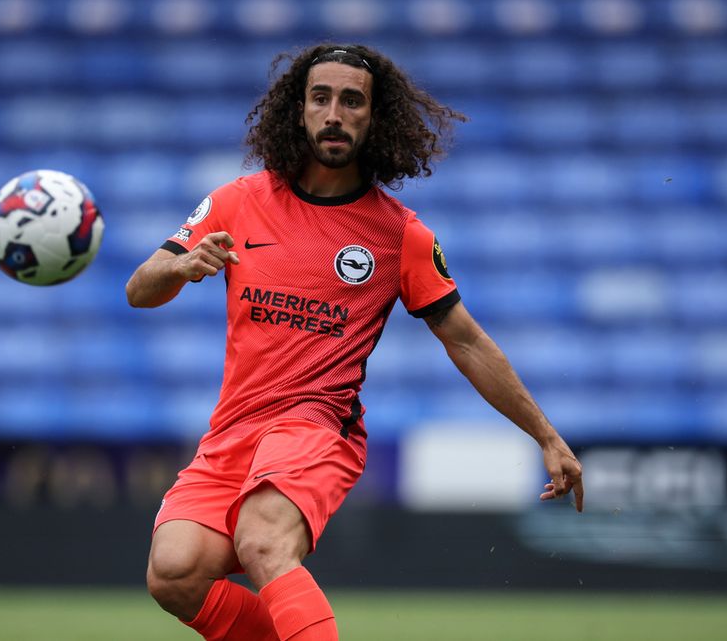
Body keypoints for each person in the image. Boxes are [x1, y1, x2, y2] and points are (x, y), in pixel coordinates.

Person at [125, 43, 583, 641]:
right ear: (299, 112)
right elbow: (139, 289)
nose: (334, 113)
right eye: (320, 98)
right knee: (174, 572)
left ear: (375, 117)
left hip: (317, 423)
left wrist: (546, 436)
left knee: (263, 539)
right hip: (234, 428)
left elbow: (466, 342)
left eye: (351, 101)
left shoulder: (400, 236)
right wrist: (181, 269)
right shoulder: (236, 202)